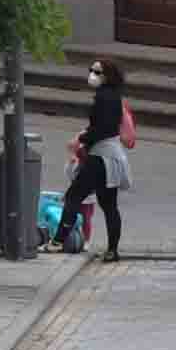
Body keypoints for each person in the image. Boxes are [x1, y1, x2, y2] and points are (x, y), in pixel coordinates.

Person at [56, 57, 133, 260]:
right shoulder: (114, 96)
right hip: (110, 156)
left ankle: (58, 241)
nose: (92, 75)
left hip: (101, 156)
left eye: (97, 72)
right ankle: (112, 250)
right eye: (91, 70)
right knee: (109, 205)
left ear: (107, 76)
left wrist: (82, 140)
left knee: (73, 197)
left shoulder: (103, 98)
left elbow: (102, 128)